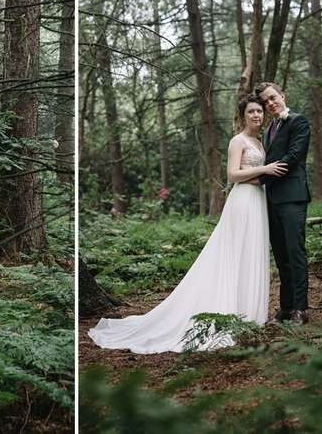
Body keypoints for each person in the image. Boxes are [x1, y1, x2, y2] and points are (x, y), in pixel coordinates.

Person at [88, 94, 287, 353]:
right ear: (243, 115)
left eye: (260, 111)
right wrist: (264, 170)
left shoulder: (260, 142)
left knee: (252, 255)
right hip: (242, 203)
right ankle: (228, 313)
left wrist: (264, 174)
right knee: (235, 255)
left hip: (258, 202)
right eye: (251, 112)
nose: (257, 116)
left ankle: (249, 314)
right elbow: (232, 175)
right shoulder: (237, 141)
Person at [255, 82, 312, 326]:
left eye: (272, 98)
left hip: (292, 197)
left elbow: (292, 157)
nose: (270, 103)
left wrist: (257, 178)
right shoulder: (268, 131)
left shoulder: (298, 122)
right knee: (281, 255)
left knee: (295, 252)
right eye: (265, 101)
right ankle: (286, 307)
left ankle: (301, 309)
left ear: (282, 95)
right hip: (272, 200)